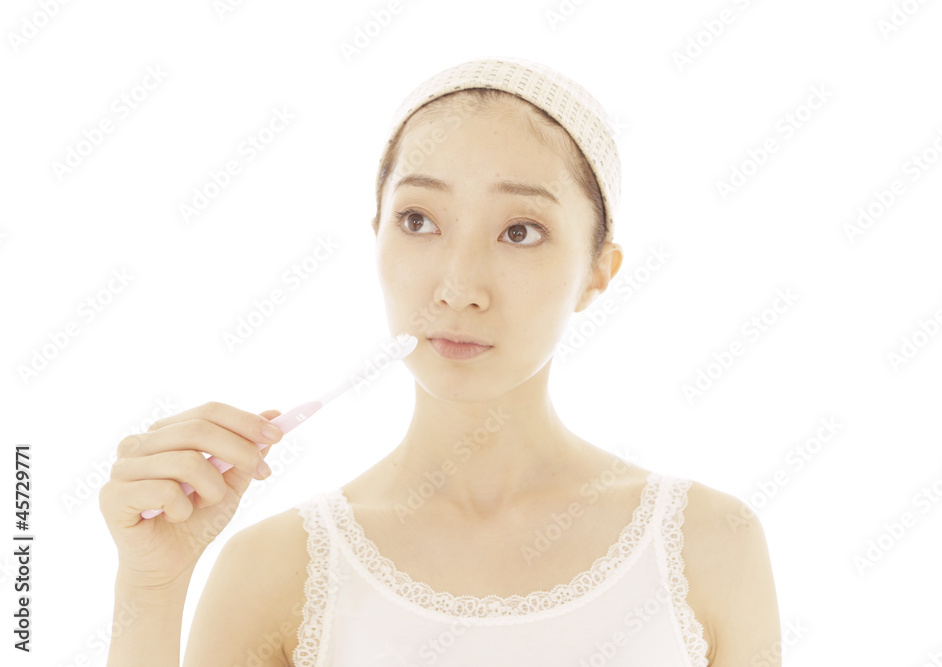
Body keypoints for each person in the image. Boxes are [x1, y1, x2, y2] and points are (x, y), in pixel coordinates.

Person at [100, 56, 779, 666]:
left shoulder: (707, 546)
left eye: (520, 230)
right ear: (378, 236)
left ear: (598, 271)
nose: (457, 287)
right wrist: (151, 586)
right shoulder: (275, 569)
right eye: (418, 221)